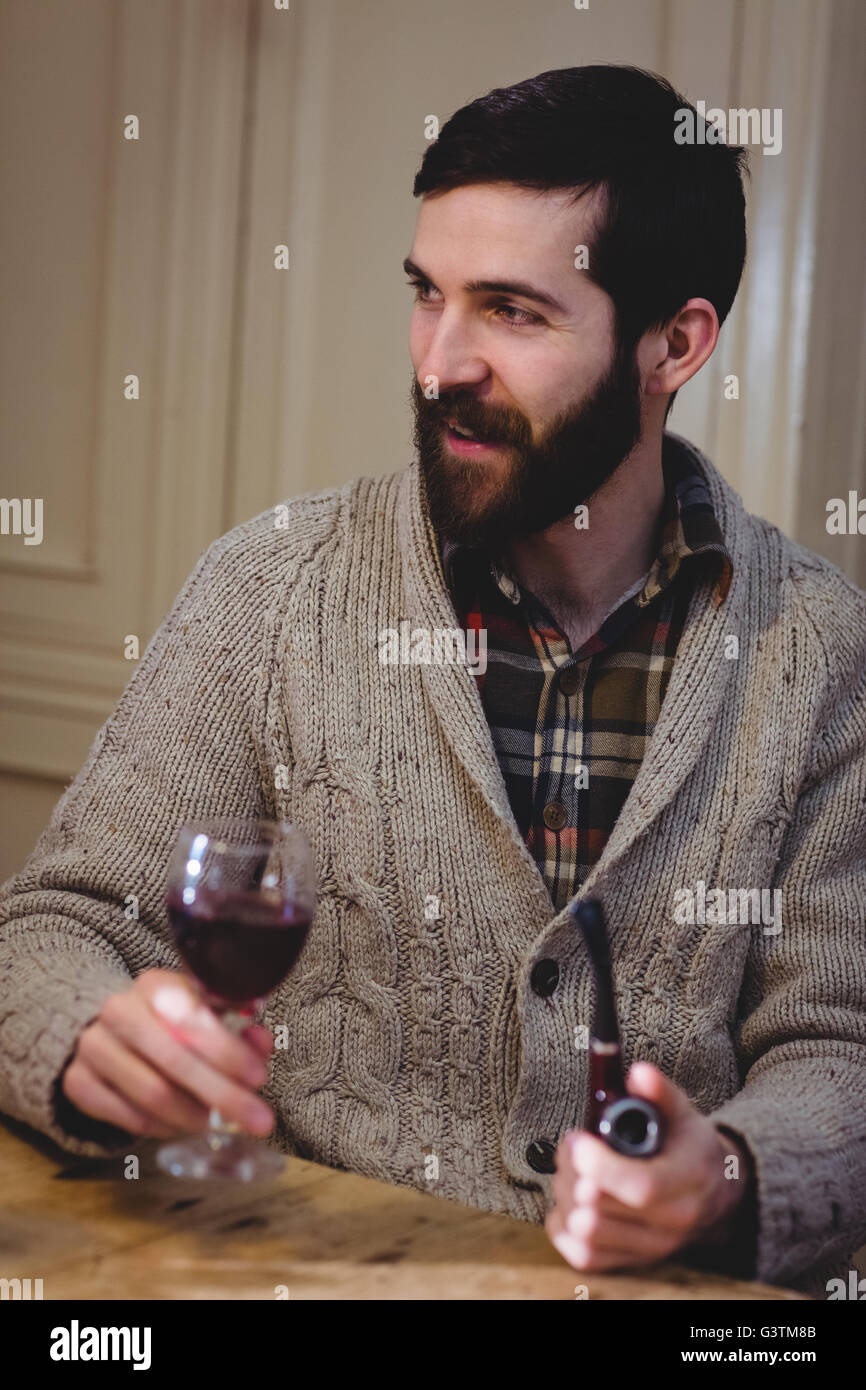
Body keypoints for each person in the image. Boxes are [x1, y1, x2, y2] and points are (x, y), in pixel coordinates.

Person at [1, 64, 864, 1300]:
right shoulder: (270, 586)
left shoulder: (821, 652)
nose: (438, 361)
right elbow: (49, 925)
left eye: (511, 311)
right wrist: (89, 1036)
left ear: (671, 343)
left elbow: (840, 1048)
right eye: (426, 295)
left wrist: (719, 1173)